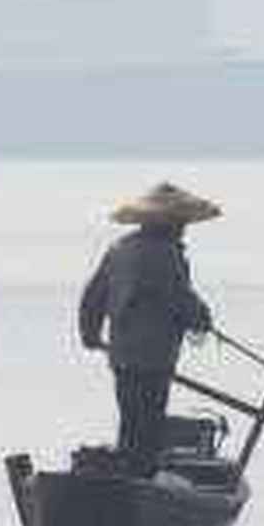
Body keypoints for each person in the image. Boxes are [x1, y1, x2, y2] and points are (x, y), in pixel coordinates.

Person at [78, 182, 219, 476]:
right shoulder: (166, 255)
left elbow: (94, 295)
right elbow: (180, 299)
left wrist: (89, 333)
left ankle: (127, 474)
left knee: (131, 418)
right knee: (149, 422)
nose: (183, 228)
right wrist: (202, 318)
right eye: (180, 222)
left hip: (123, 354)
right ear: (167, 223)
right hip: (154, 357)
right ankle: (140, 480)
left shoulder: (120, 249)